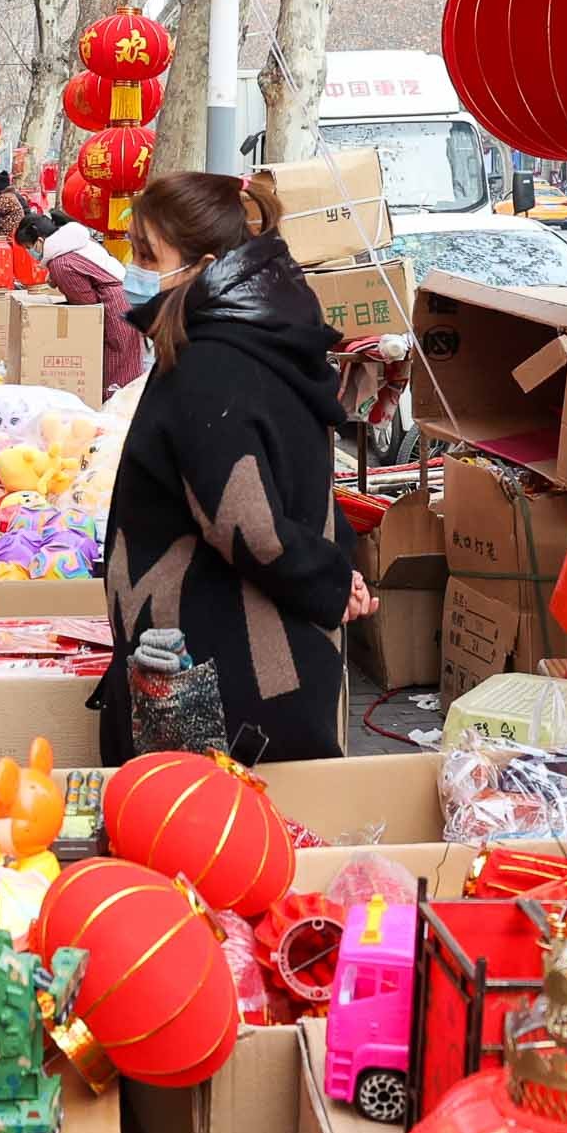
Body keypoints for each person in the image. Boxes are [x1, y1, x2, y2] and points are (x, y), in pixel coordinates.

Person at [97, 173, 373, 768]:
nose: (133, 269)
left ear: (201, 266)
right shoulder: (260, 340)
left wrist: (329, 577)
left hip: (229, 689)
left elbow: (246, 522)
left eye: (147, 255)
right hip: (263, 670)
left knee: (207, 843)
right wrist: (337, 569)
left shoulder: (210, 366)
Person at [17, 206, 145, 390]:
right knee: (127, 367)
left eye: (29, 248)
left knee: (116, 372)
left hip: (114, 309)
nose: (31, 254)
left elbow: (86, 305)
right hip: (125, 302)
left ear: (39, 241)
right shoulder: (74, 242)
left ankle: (115, 414)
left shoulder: (61, 262)